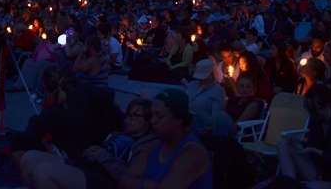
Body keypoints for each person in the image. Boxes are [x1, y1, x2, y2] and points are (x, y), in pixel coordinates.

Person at [19, 98, 157, 189]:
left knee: (44, 171)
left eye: (135, 116)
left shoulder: (145, 145)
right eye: (128, 115)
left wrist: (102, 156)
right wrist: (91, 151)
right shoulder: (117, 134)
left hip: (104, 180)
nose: (129, 119)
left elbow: (128, 177)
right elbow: (93, 152)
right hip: (86, 165)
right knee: (28, 158)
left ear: (148, 120)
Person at [118, 88, 212, 189]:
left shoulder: (193, 153)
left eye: (159, 116)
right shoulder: (154, 145)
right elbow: (124, 180)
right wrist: (147, 185)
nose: (152, 121)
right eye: (152, 115)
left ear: (179, 119)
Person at [184, 59, 226, 133]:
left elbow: (215, 115)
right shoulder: (190, 85)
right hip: (183, 121)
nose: (200, 79)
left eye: (203, 76)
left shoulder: (218, 91)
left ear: (212, 75)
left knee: (193, 106)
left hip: (203, 124)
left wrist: (210, 127)